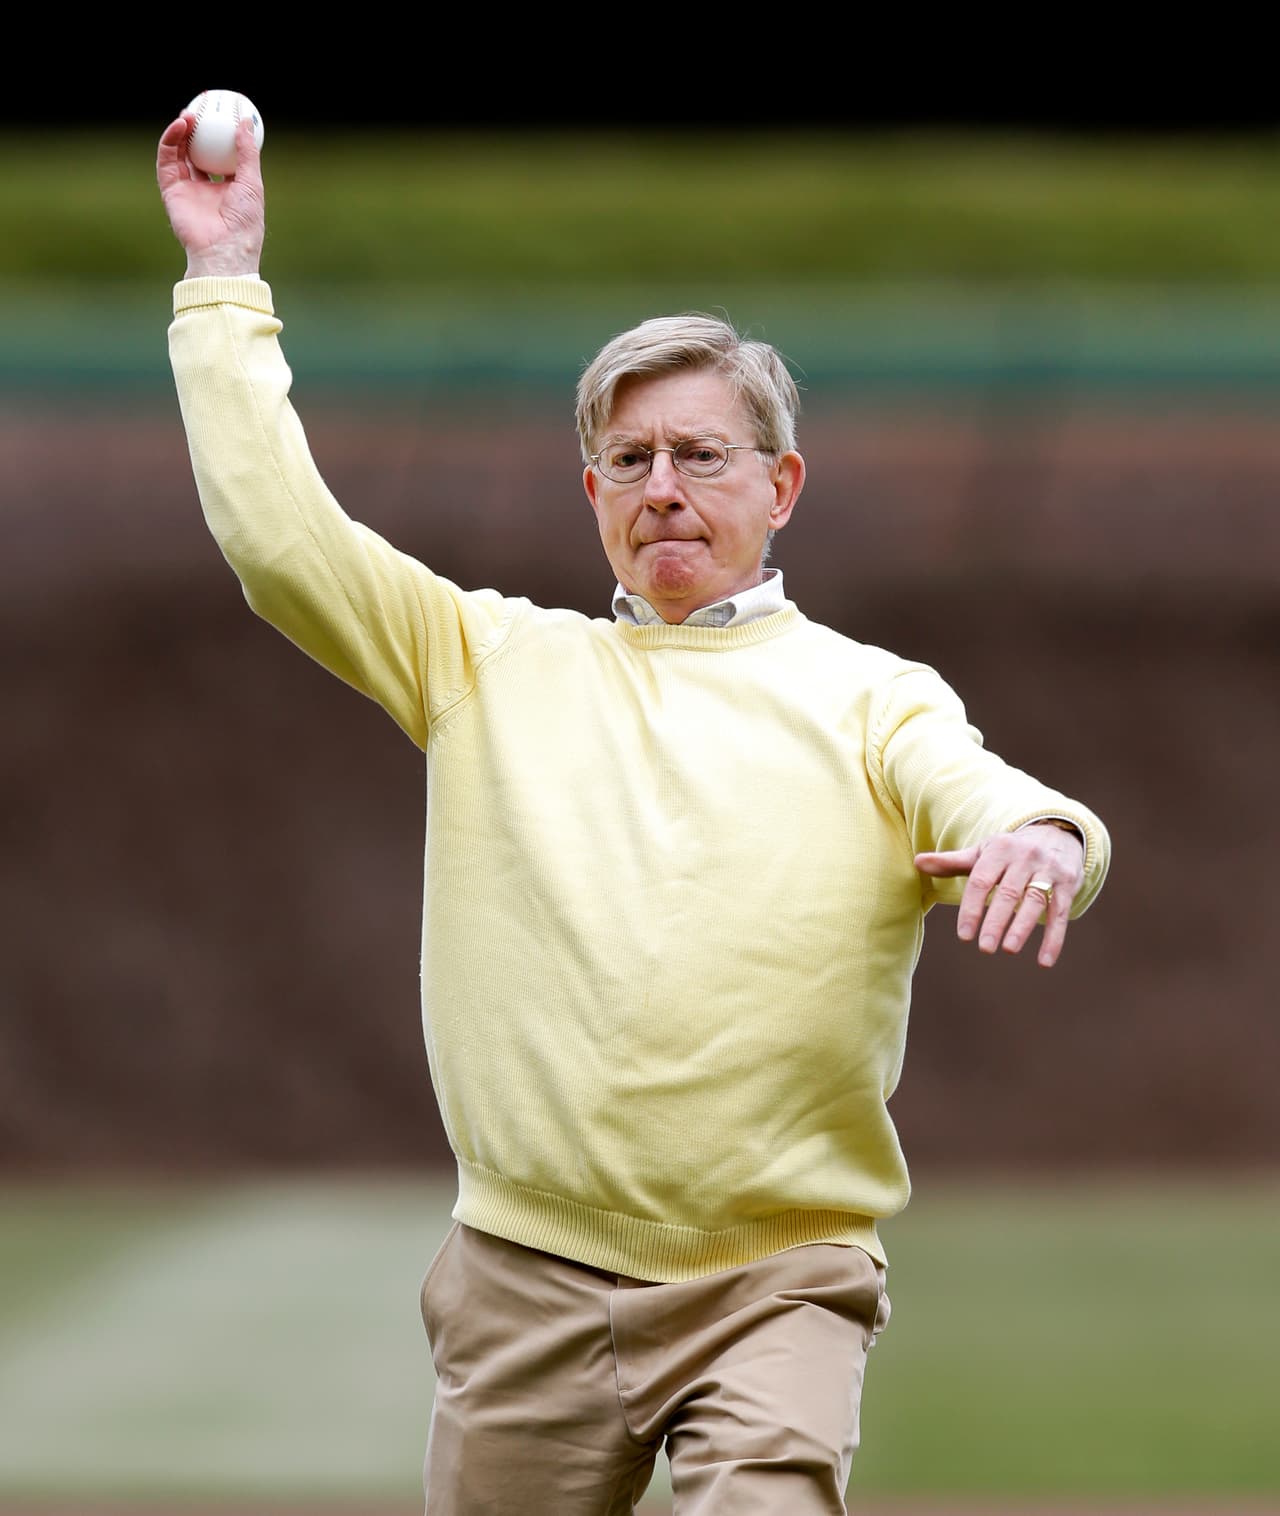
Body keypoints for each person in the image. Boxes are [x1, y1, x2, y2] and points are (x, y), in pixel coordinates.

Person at [157, 112, 1111, 1516]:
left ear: (779, 489)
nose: (664, 488)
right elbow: (278, 538)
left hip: (773, 1280)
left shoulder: (869, 697)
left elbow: (989, 792)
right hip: (520, 1276)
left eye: (705, 457)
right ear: (592, 489)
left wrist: (1049, 839)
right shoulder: (482, 659)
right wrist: (225, 277)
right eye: (630, 459)